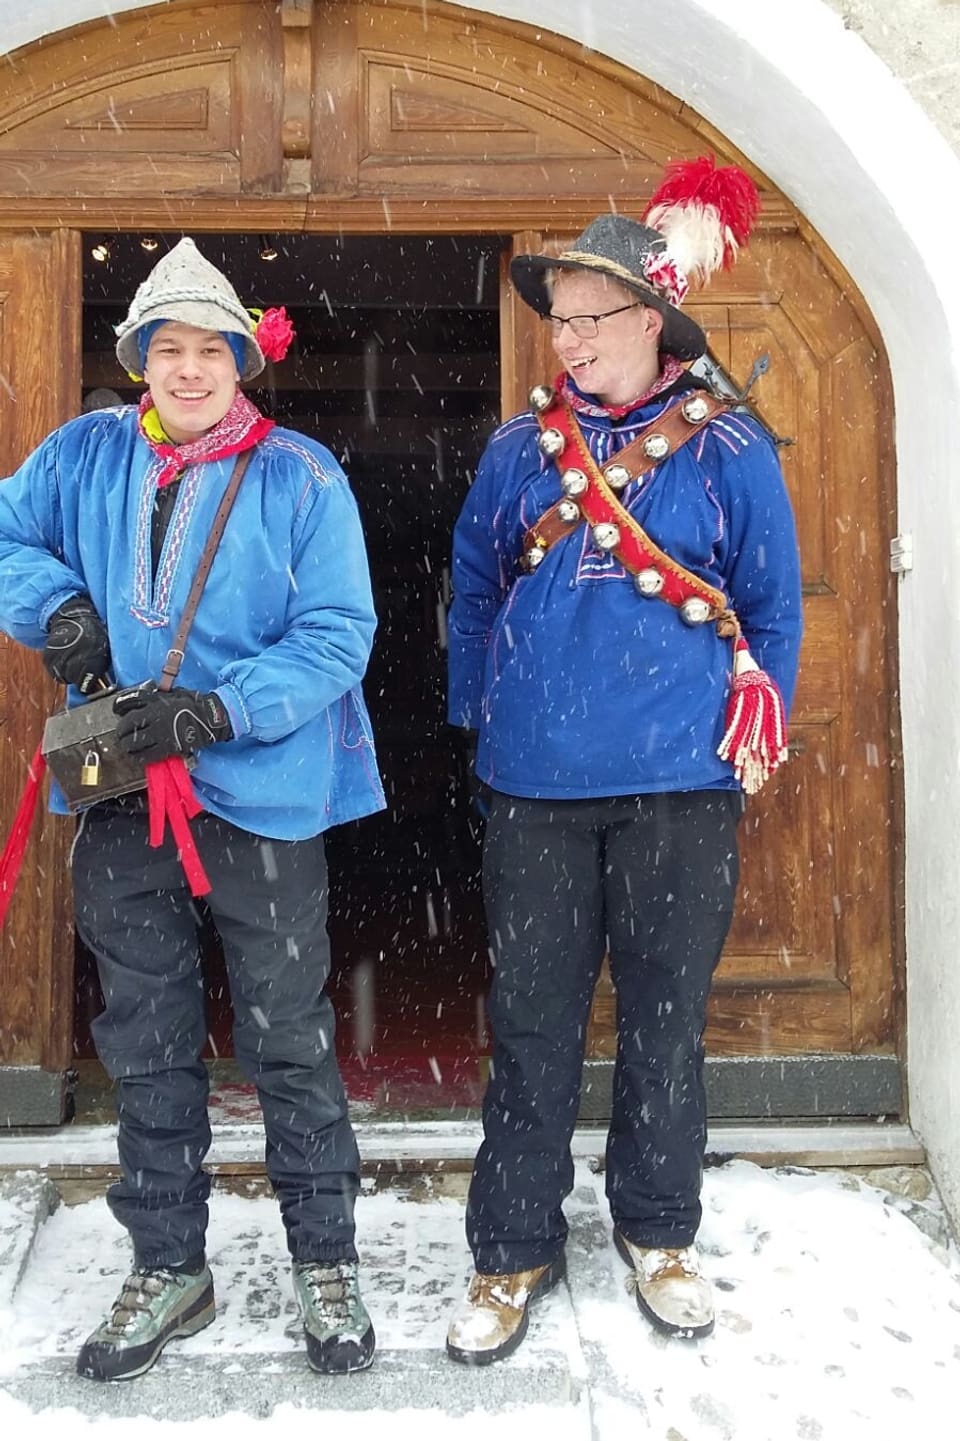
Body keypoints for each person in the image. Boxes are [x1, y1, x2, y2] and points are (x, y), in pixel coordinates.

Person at [0, 238, 385, 1381]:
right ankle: (170, 1262)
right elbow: (6, 529)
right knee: (147, 1042)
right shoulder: (85, 454)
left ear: (239, 358)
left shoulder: (303, 477)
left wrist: (220, 710)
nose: (185, 368)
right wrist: (57, 606)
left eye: (205, 347)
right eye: (163, 348)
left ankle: (327, 1260)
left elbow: (338, 633)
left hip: (261, 801)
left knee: (289, 1040)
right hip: (124, 802)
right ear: (139, 361)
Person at [445, 158, 803, 1364]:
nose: (570, 338)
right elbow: (475, 591)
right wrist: (483, 728)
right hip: (536, 790)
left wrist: (765, 721)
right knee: (533, 1022)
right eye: (561, 318)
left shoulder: (729, 451)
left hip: (682, 789)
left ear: (653, 325)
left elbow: (773, 608)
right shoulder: (516, 454)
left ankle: (658, 1232)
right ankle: (512, 1248)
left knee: (666, 1020)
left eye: (593, 318)